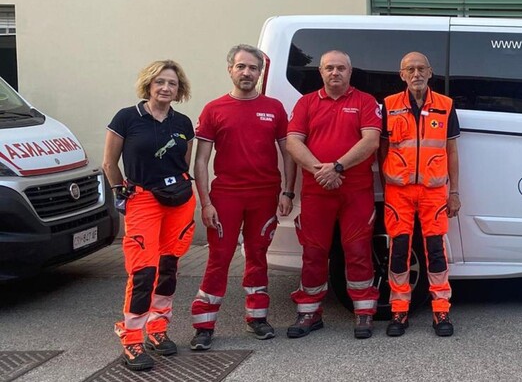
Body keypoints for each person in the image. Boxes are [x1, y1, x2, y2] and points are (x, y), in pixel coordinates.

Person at [189, 45, 297, 350]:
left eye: (253, 68)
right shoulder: (214, 109)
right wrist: (205, 202)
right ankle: (204, 325)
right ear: (230, 70)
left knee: (257, 255)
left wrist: (288, 191)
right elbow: (201, 161)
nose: (247, 72)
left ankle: (257, 318)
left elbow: (288, 152)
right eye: (241, 66)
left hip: (264, 195)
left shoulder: (274, 108)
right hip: (226, 197)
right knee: (219, 258)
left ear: (260, 72)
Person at [102, 60, 197, 371]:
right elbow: (109, 163)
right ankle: (131, 337)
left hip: (179, 199)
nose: (166, 88)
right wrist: (120, 191)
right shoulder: (127, 117)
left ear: (179, 89)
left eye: (172, 83)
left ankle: (158, 328)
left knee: (168, 266)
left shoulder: (183, 123)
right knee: (143, 270)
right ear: (149, 85)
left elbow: (184, 162)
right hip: (143, 199)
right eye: (160, 82)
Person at [285, 50, 381, 339]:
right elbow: (293, 142)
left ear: (350, 72)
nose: (335, 72)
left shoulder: (365, 101)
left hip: (355, 191)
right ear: (321, 72)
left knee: (358, 250)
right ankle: (309, 312)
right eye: (329, 68)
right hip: (317, 191)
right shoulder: (306, 102)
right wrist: (322, 171)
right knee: (313, 252)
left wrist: (337, 167)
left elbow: (371, 141)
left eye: (341, 68)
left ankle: (363, 312)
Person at [380, 51, 461, 337]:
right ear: (402, 75)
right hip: (398, 191)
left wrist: (454, 191)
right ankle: (399, 310)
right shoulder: (388, 105)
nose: (416, 74)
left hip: (433, 191)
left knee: (436, 251)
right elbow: (382, 149)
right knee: (399, 250)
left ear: (430, 72)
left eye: (421, 69)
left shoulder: (445, 105)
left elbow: (452, 151)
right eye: (410, 69)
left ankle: (441, 310)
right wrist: (386, 181)